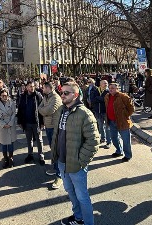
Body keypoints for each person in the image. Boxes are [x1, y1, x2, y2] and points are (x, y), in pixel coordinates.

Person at [51, 81, 100, 225]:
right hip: (62, 162)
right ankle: (78, 218)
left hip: (76, 165)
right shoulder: (60, 110)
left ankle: (88, 223)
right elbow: (57, 134)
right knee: (70, 192)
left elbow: (93, 141)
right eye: (62, 92)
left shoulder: (85, 113)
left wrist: (80, 161)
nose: (63, 95)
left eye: (67, 93)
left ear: (76, 95)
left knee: (82, 196)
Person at [38, 82, 62, 189]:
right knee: (53, 149)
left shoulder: (56, 98)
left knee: (57, 150)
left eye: (44, 87)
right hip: (48, 126)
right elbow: (40, 107)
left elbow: (49, 110)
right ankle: (55, 168)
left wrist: (43, 110)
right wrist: (43, 110)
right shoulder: (46, 97)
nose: (42, 89)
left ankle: (59, 175)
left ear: (48, 88)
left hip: (54, 127)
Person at [105, 83, 134, 162]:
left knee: (126, 140)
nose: (111, 89)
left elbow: (131, 108)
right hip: (111, 121)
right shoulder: (107, 96)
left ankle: (128, 155)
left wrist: (125, 115)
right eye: (110, 88)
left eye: (113, 88)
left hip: (122, 122)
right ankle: (119, 151)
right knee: (114, 138)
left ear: (117, 88)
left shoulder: (123, 96)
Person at [17, 81, 45, 165]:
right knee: (29, 140)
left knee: (39, 140)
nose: (32, 88)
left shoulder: (38, 96)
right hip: (27, 122)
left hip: (36, 122)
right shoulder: (23, 96)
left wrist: (42, 122)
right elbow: (20, 109)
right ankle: (30, 154)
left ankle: (41, 155)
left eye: (33, 86)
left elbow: (42, 110)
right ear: (26, 87)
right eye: (30, 86)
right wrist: (20, 121)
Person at [0, 88, 17, 168]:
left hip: (10, 125)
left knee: (10, 143)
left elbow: (14, 113)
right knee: (3, 143)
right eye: (3, 96)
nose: (5, 97)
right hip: (2, 126)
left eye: (6, 95)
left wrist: (10, 123)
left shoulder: (12, 103)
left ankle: (11, 158)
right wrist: (3, 124)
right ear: (0, 96)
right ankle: (5, 158)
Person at [91, 80, 111, 149]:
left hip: (106, 112)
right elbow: (92, 100)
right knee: (100, 126)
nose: (106, 84)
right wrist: (101, 99)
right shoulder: (96, 91)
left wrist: (98, 98)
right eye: (104, 83)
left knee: (108, 127)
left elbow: (106, 100)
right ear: (100, 84)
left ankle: (109, 142)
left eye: (106, 83)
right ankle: (103, 138)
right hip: (98, 111)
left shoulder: (108, 91)